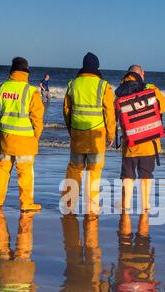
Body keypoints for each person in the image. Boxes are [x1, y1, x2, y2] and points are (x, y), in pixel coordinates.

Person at [62, 53, 116, 215]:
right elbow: (109, 113)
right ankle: (91, 207)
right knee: (94, 171)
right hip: (96, 137)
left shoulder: (73, 84)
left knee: (74, 168)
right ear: (96, 67)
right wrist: (111, 134)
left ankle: (68, 204)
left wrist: (71, 129)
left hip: (78, 134)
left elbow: (66, 110)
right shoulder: (103, 86)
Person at [0, 57, 44, 212]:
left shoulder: (1, 88)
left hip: (6, 139)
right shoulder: (31, 91)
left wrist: (2, 127)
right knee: (25, 172)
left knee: (2, 169)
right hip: (26, 140)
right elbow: (37, 119)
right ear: (26, 71)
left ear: (12, 70)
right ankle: (26, 203)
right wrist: (36, 137)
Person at [115, 65, 165, 213]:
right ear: (142, 74)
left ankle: (126, 205)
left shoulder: (121, 91)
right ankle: (145, 206)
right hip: (149, 142)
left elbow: (116, 112)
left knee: (128, 175)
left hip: (130, 142)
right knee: (146, 174)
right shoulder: (151, 88)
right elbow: (163, 105)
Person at [110, 212, 159, 292]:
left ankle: (128, 209)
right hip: (130, 269)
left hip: (143, 271)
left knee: (140, 239)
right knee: (128, 239)